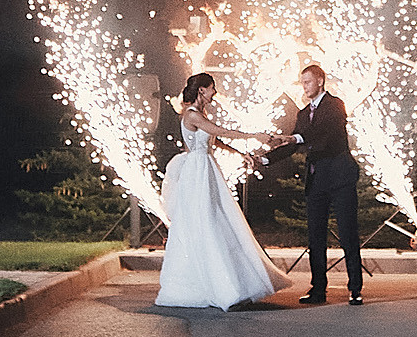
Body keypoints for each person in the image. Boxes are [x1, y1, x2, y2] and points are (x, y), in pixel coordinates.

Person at [155, 72, 290, 310]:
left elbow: (215, 140)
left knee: (219, 219)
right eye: (212, 88)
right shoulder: (191, 115)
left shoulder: (200, 115)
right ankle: (218, 285)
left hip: (207, 169)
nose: (214, 93)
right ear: (201, 91)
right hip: (197, 172)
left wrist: (240, 154)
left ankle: (233, 283)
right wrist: (254, 135)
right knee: (205, 220)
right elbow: (221, 131)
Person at [279, 62, 363, 305]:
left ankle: (355, 288)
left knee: (348, 234)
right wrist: (265, 158)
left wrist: (298, 137)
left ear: (320, 81)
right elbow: (294, 142)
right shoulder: (303, 114)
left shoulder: (335, 105)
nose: (304, 87)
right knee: (316, 237)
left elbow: (324, 133)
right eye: (302, 82)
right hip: (316, 181)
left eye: (307, 81)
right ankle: (318, 290)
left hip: (340, 178)